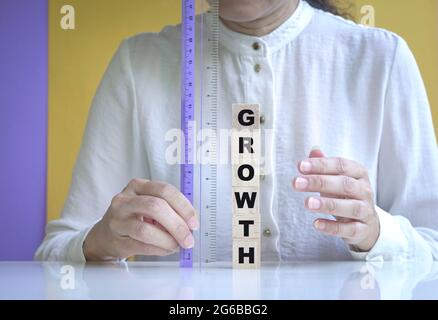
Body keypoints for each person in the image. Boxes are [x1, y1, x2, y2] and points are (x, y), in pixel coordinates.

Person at [35, 0, 438, 262]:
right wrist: (100, 244)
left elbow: (432, 249)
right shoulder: (138, 64)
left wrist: (377, 232)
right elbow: (54, 255)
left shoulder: (381, 60)